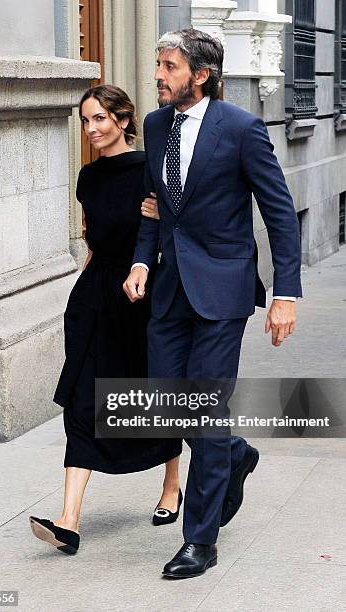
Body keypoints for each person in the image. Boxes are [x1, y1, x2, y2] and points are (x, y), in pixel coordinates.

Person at [124, 28, 302, 578]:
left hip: (223, 292)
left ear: (200, 75)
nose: (158, 74)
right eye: (157, 63)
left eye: (169, 66)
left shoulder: (243, 129)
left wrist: (286, 295)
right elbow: (156, 206)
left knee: (203, 412)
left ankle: (199, 540)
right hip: (169, 290)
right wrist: (138, 259)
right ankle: (235, 452)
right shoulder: (156, 126)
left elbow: (278, 212)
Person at [29, 85, 182, 555]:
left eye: (99, 119)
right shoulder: (88, 178)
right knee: (83, 399)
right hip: (94, 299)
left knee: (152, 394)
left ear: (122, 119)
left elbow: (172, 233)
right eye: (85, 121)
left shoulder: (151, 171)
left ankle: (172, 485)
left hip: (139, 300)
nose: (92, 129)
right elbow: (94, 240)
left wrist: (161, 218)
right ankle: (69, 518)